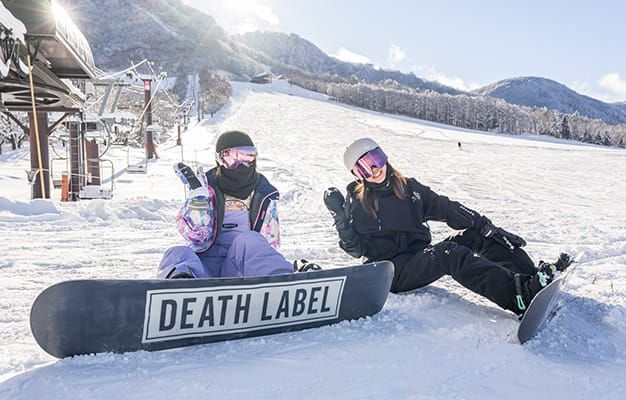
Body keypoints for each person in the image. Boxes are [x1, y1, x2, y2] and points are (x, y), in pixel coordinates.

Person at [323, 137, 572, 315]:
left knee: (477, 234)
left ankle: (532, 280)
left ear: (384, 156)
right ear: (358, 175)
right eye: (365, 168)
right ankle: (518, 297)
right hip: (392, 271)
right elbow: (355, 250)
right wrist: (341, 219)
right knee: (449, 254)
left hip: (418, 257)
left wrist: (488, 227)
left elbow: (446, 208)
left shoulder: (409, 188)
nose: (375, 170)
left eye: (376, 159)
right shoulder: (358, 202)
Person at [158, 130, 317, 279]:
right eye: (231, 158)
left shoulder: (263, 194)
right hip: (202, 272)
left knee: (250, 240)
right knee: (177, 253)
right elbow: (196, 236)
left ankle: (282, 280)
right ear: (219, 160)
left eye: (247, 157)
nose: (240, 164)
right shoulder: (205, 189)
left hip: (240, 271)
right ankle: (179, 284)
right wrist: (198, 199)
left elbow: (269, 243)